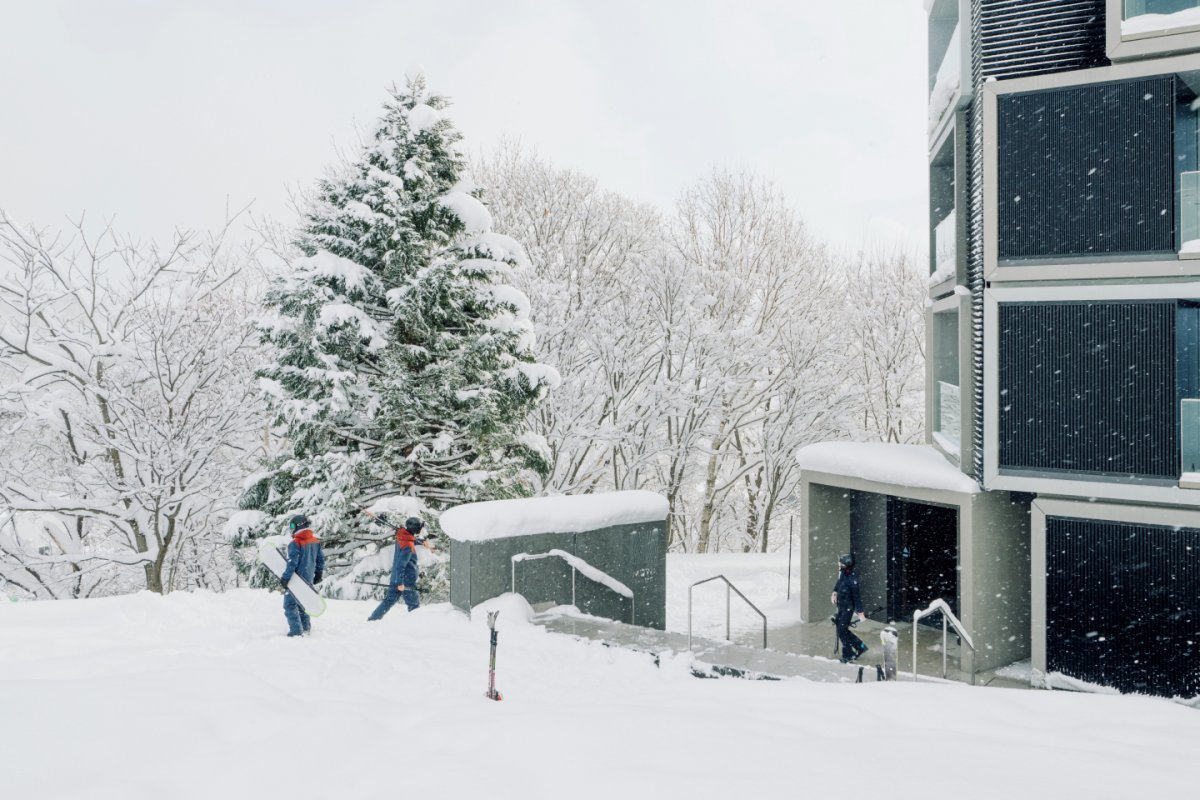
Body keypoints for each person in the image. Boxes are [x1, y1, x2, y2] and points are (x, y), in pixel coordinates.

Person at [367, 515, 434, 621]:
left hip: (397, 577)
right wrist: (400, 583)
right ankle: (416, 624)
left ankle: (373, 619)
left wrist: (423, 543)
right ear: (415, 529)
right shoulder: (408, 545)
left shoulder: (401, 537)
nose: (420, 531)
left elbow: (409, 539)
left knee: (389, 601)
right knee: (414, 606)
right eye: (419, 528)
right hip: (405, 581)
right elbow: (400, 565)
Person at [280, 514, 325, 637]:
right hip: (308, 578)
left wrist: (285, 578)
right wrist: (318, 574)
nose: (292, 528)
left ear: (299, 525)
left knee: (289, 604)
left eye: (293, 526)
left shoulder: (295, 543)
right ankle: (306, 628)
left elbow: (292, 563)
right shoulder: (315, 542)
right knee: (303, 603)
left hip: (296, 580)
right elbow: (320, 560)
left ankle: (296, 631)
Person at [831, 552, 868, 663]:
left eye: (840, 563)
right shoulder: (843, 574)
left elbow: (857, 598)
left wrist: (860, 613)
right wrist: (835, 591)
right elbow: (839, 582)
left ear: (846, 564)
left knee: (842, 630)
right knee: (841, 629)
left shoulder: (852, 579)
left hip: (848, 608)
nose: (839, 565)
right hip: (841, 606)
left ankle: (848, 654)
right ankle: (860, 646)